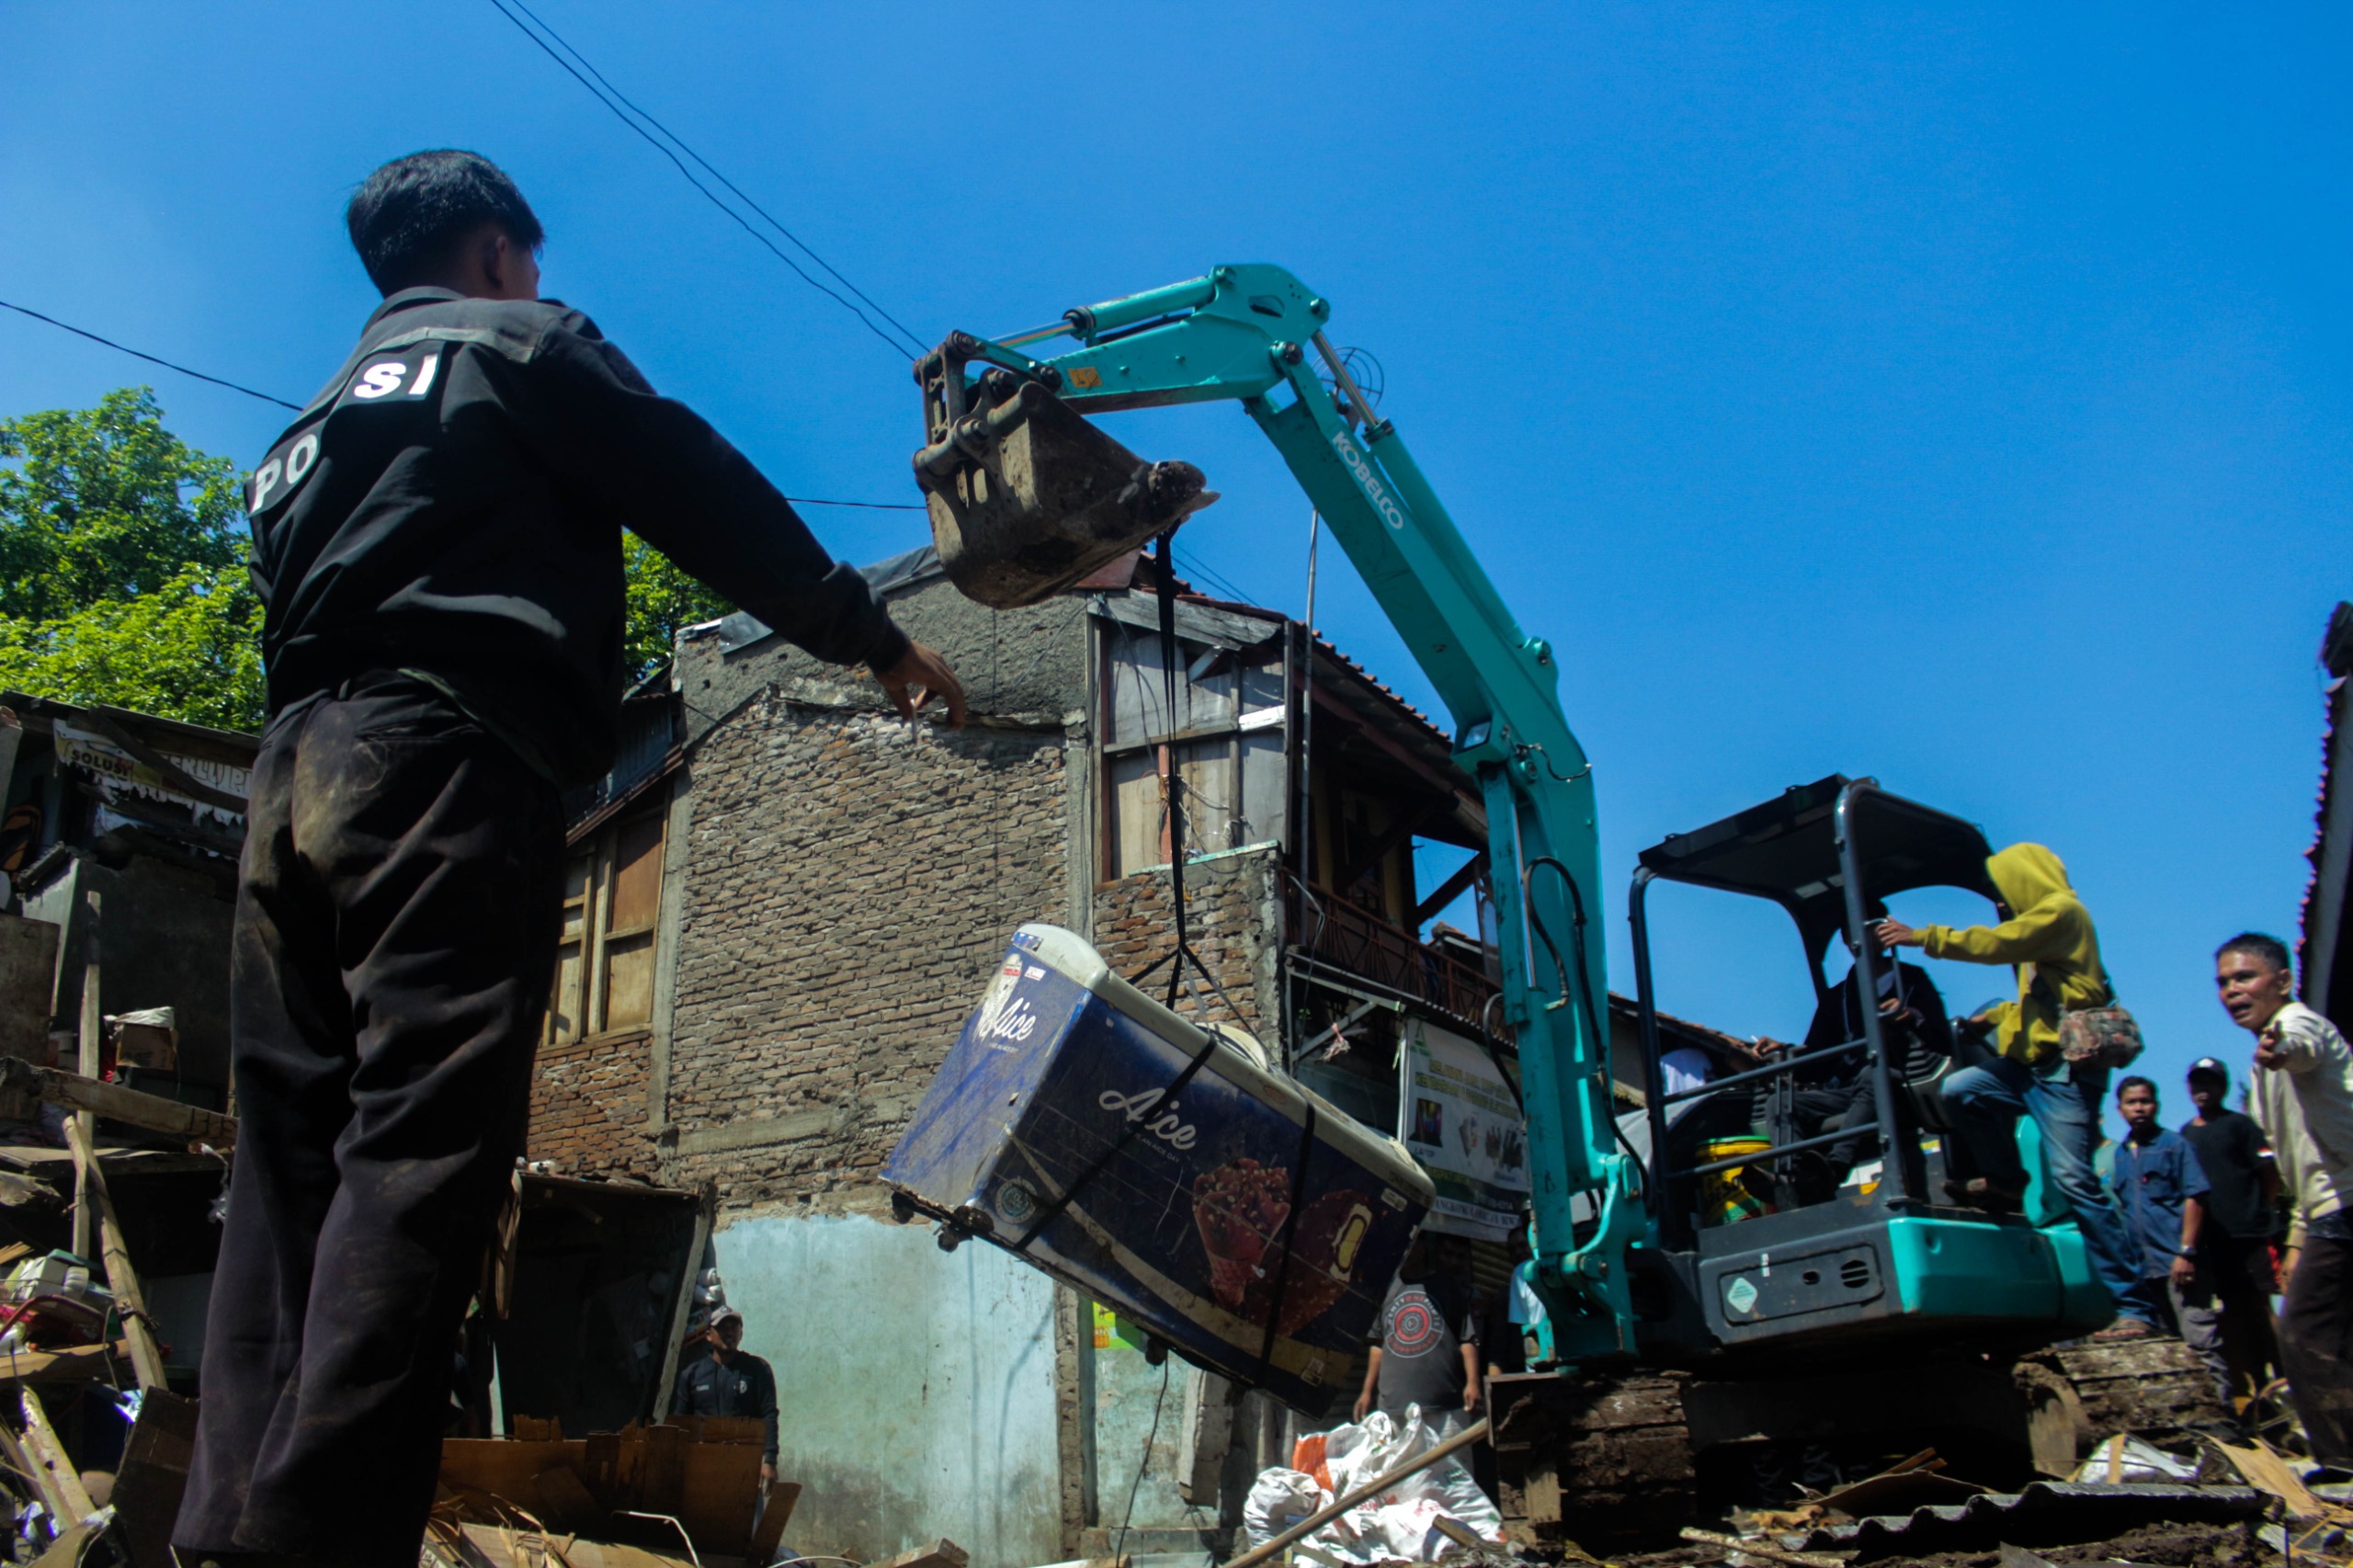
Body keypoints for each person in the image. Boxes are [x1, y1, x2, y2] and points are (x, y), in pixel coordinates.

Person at [175, 151, 965, 1567]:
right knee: (420, 1150)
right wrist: (873, 634)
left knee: (290, 1162)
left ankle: (223, 1529)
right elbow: (699, 490)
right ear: (495, 251)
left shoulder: (300, 432)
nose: (537, 282)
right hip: (447, 757)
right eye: (528, 261)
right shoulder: (517, 343)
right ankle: (316, 1541)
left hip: (291, 776)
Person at [1874, 844, 2152, 1341]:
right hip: (2027, 1066)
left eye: (2003, 891)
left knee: (2076, 1181)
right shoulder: (2043, 938)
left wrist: (1921, 937)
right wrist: (1996, 1016)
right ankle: (2004, 1180)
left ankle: (2134, 1306)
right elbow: (2048, 1001)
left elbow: (1999, 943)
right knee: (1961, 1089)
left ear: (2024, 880)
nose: (2001, 903)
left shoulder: (2061, 914)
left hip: (2064, 1074)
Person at [2215, 932, 2353, 1469]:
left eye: (2244, 977)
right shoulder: (2258, 1067)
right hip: (2329, 1208)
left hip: (2347, 1202)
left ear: (2284, 981)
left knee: (2304, 1335)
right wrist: (2297, 1239)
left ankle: (2342, 1469)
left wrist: (2281, 1050)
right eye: (2224, 983)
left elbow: (2301, 1044)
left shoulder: (2297, 1024)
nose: (2231, 991)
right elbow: (2301, 1171)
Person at [1754, 909, 1954, 1193]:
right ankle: (1793, 1177)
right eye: (1850, 933)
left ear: (1884, 931)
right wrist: (1784, 1052)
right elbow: (1819, 1057)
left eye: (1868, 928)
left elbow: (1938, 1035)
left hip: (1903, 1084)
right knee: (1780, 1103)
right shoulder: (1838, 998)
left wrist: (1909, 1016)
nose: (1857, 939)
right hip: (1850, 1090)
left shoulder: (1912, 980)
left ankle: (1835, 1167)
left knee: (1873, 1075)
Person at [2178, 1056, 2282, 1407]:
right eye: (2197, 1082)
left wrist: (2260, 1211)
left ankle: (2285, 1375)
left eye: (2210, 1082)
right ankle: (2250, 1389)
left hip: (2249, 1234)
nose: (2203, 1089)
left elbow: (2269, 1173)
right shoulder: (2186, 1135)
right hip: (2211, 1240)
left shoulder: (2242, 1125)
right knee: (2229, 1313)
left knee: (2260, 1305)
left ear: (2222, 1086)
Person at [2103, 1077, 2209, 1335]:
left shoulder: (2174, 1145)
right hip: (2144, 1270)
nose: (2138, 1108)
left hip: (2178, 1264)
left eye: (2144, 1101)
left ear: (2156, 1106)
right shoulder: (2122, 1153)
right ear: (2120, 1109)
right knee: (2165, 1346)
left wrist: (2186, 1253)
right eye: (2131, 1102)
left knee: (2199, 1340)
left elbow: (2196, 1196)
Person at [1355, 1233, 1483, 1437]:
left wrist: (1473, 1383)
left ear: (1422, 1247)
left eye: (1411, 1242)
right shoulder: (1386, 1290)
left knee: (1453, 1469)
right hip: (1394, 1407)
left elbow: (1466, 1339)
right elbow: (1378, 1345)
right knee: (1403, 1469)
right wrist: (1366, 1392)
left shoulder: (1447, 1286)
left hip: (1445, 1406)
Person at [672, 1307, 781, 1482]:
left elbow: (768, 1414)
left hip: (745, 1463)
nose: (729, 1332)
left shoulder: (757, 1369)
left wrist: (770, 1460)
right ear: (708, 1335)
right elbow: (681, 1421)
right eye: (723, 1328)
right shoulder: (692, 1374)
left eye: (734, 1327)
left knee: (747, 1508)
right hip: (702, 1462)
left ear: (741, 1334)